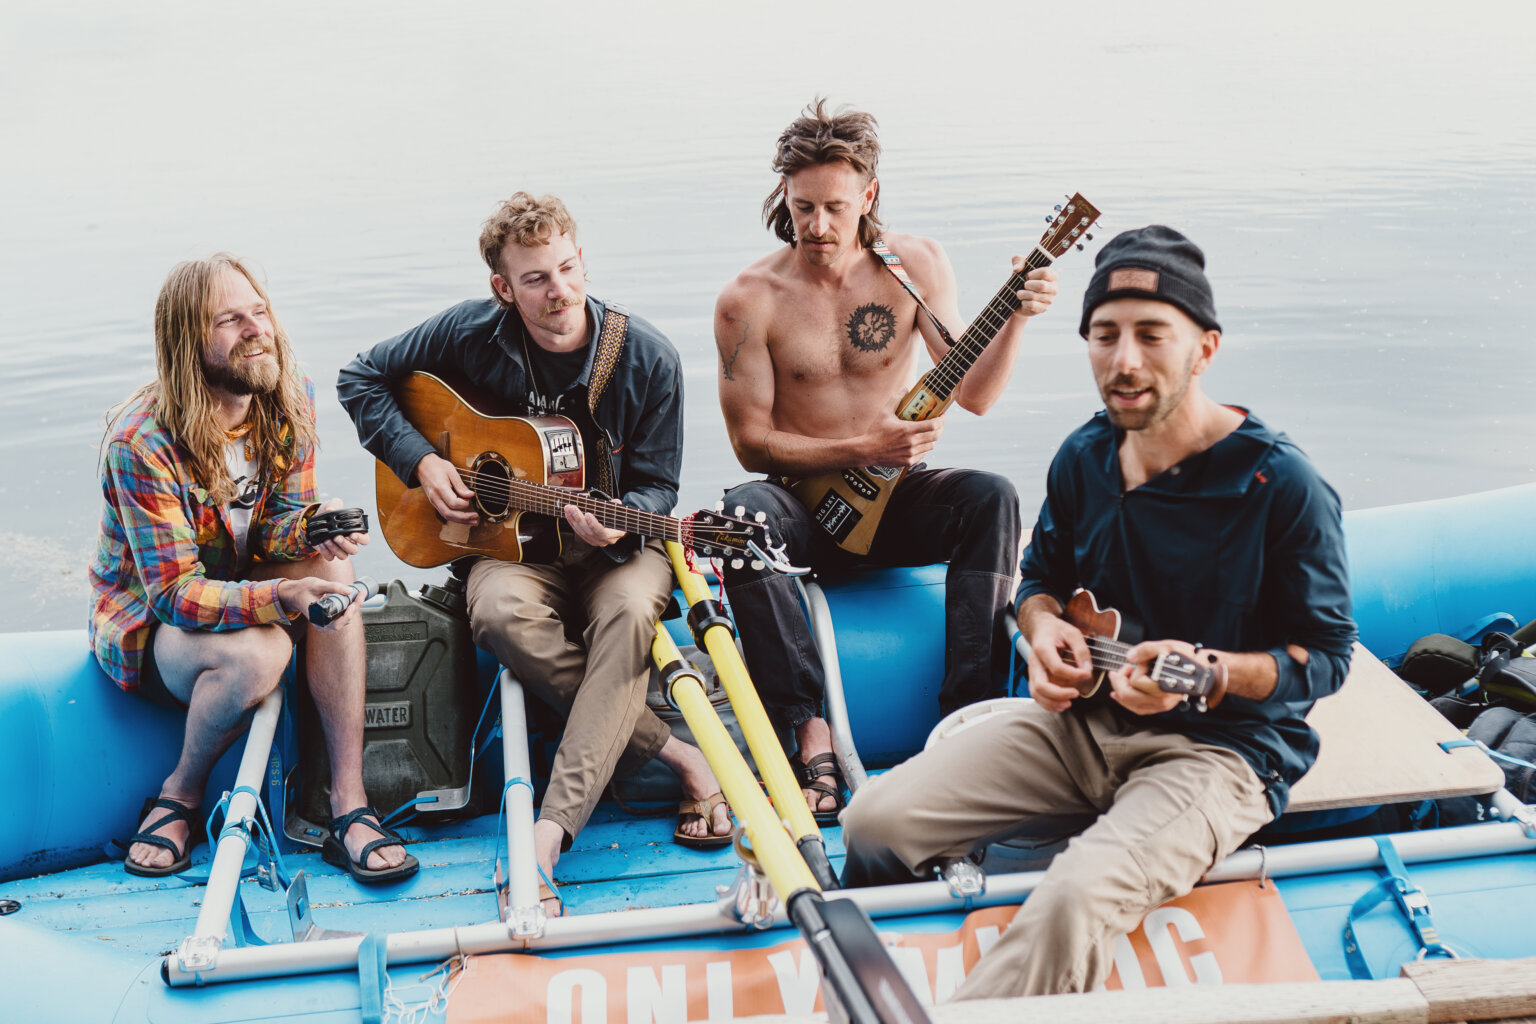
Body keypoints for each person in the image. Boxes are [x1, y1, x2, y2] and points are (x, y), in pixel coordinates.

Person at [839, 225, 1358, 997]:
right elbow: (1038, 581)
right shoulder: (1084, 457)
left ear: (1205, 348)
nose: (1125, 360)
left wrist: (1206, 671)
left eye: (1153, 335)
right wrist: (1044, 633)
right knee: (871, 822)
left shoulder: (1281, 487)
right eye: (1104, 335)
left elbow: (1326, 659)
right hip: (1082, 726)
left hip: (1218, 754)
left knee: (1074, 902)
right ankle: (864, 981)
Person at [337, 192, 733, 914]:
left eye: (568, 268)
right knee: (495, 615)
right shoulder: (467, 333)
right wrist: (423, 464)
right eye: (536, 280)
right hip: (506, 547)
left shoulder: (647, 359)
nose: (559, 293)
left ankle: (548, 834)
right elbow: (360, 377)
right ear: (502, 288)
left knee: (629, 619)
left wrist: (622, 523)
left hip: (618, 551)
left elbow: (657, 488)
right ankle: (679, 754)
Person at [713, 100, 1058, 821]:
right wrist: (859, 446)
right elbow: (750, 441)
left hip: (892, 499)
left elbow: (979, 396)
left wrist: (1019, 316)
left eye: (835, 207)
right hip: (802, 507)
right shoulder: (750, 300)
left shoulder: (914, 267)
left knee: (991, 496)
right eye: (802, 207)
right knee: (741, 511)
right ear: (785, 198)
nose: (818, 226)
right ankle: (809, 736)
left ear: (867, 196)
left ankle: (969, 724)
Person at [90, 254, 417, 884]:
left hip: (244, 583)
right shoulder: (143, 444)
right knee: (258, 656)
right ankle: (180, 793)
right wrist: (283, 596)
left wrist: (312, 528)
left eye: (259, 312)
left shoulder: (289, 398)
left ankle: (347, 802)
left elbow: (274, 525)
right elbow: (175, 595)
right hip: (157, 630)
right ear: (189, 342)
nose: (256, 329)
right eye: (230, 320)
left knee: (334, 564)